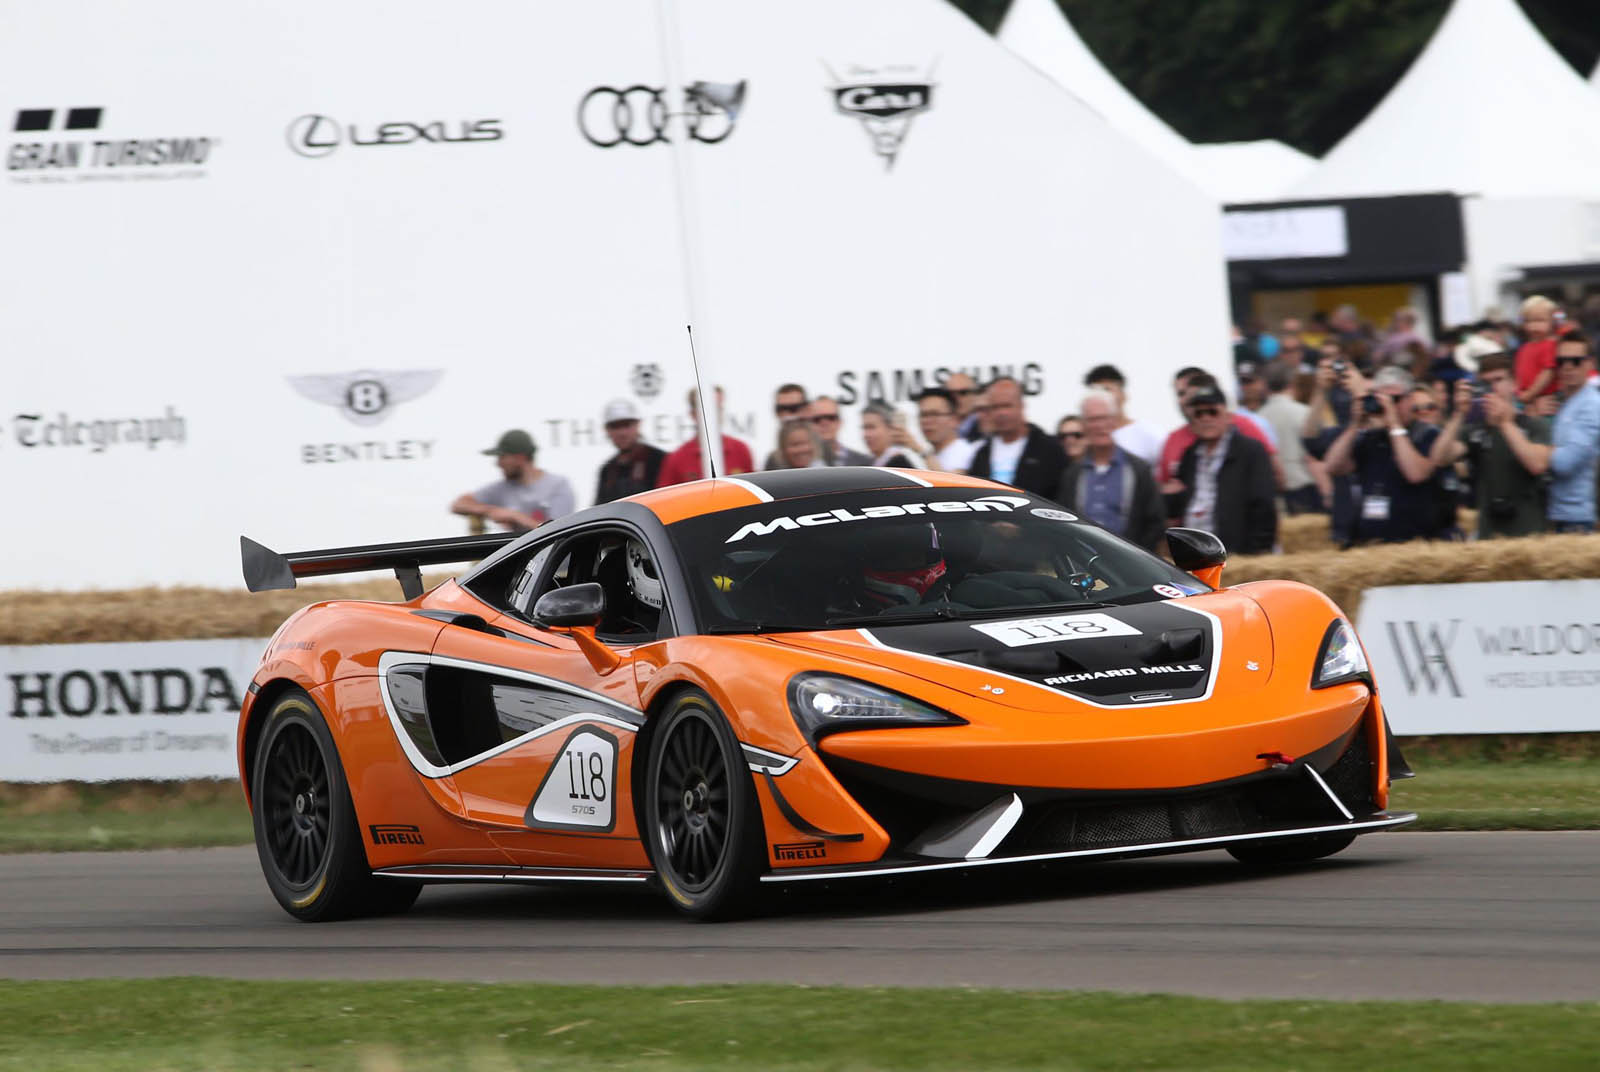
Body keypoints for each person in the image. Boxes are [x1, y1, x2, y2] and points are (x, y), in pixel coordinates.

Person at [1427, 353, 1551, 540]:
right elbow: (1439, 458)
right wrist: (1459, 414)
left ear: (1514, 384)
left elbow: (1537, 465)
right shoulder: (1476, 430)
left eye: (1498, 380)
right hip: (1489, 535)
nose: (1493, 388)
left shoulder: (1534, 425)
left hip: (1529, 533)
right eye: (1486, 383)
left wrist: (1505, 423)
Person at [1322, 367, 1441, 544]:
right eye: (1382, 399)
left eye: (1395, 399)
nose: (1389, 406)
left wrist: (1394, 424)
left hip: (1411, 543)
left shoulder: (1427, 434)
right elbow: (1333, 467)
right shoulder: (1371, 437)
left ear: (1410, 399)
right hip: (1370, 543)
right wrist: (1354, 425)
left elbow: (1416, 474)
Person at [1168, 386, 1277, 554]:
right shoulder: (1189, 455)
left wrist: (1258, 549)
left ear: (1227, 416)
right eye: (1198, 414)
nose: (1206, 418)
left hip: (1236, 551)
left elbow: (1264, 503)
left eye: (1212, 412)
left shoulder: (1250, 450)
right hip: (1196, 550)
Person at [1057, 390, 1164, 550]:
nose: (1100, 425)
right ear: (1084, 425)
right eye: (1093, 419)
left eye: (1105, 418)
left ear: (1115, 421)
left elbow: (1155, 521)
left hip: (1128, 560)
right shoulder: (1072, 474)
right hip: (1082, 559)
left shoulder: (1138, 469)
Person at [1155, 370, 1276, 484]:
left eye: (1211, 412)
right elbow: (1164, 484)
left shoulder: (1243, 426)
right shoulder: (1175, 440)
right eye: (1181, 394)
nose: (1185, 399)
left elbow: (1273, 472)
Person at [451, 429, 575, 533]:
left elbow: (557, 533)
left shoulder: (558, 485)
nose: (498, 464)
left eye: (502, 457)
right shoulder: (502, 487)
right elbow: (458, 505)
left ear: (520, 458)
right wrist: (490, 510)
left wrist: (515, 517)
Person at [967, 377, 1068, 496]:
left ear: (1021, 406)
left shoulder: (1049, 449)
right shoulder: (981, 453)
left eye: (1007, 406)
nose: (1001, 413)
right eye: (995, 407)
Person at [1546, 331, 1600, 533]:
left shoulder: (1592, 405)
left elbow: (1564, 463)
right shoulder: (1561, 402)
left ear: (1590, 364)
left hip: (1577, 519)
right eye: (1561, 361)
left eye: (1576, 361)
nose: (1567, 367)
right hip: (1557, 513)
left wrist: (1537, 451)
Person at [655, 386, 755, 486]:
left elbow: (754, 489)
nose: (714, 415)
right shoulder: (677, 458)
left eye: (718, 409)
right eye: (708, 411)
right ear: (693, 414)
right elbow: (665, 493)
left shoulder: (741, 451)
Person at [1254, 364, 1318, 514]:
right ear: (1292, 383)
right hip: (1305, 486)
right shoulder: (1305, 413)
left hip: (1273, 491)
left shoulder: (1257, 418)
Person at [1083, 363, 1162, 467]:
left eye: (1107, 390)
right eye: (1095, 392)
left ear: (1124, 395)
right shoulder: (1082, 438)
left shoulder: (1148, 434)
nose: (1101, 397)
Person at [594, 399, 666, 504]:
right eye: (615, 426)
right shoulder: (608, 470)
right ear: (607, 430)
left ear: (638, 425)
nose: (622, 433)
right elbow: (600, 508)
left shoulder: (659, 460)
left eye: (626, 425)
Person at [917, 387, 979, 472]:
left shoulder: (968, 452)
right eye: (923, 415)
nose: (927, 421)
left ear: (954, 419)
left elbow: (954, 480)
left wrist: (921, 451)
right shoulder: (927, 454)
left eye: (934, 414)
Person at [1514, 295, 1561, 405]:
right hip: (1526, 398)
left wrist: (1530, 394)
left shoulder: (1549, 345)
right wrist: (1518, 392)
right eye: (1529, 321)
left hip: (1546, 397)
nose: (1534, 326)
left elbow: (1548, 372)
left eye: (1540, 320)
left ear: (1552, 322)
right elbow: (1519, 373)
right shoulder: (1524, 347)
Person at [809, 395, 872, 466]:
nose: (824, 423)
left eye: (831, 418)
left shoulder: (865, 462)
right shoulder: (801, 461)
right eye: (817, 419)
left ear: (840, 421)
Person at [860, 401, 926, 468]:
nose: (866, 434)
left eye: (871, 427)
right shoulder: (871, 463)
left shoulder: (899, 465)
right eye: (864, 428)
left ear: (891, 428)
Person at [762, 383, 810, 469]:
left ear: (806, 409)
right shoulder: (773, 459)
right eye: (781, 409)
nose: (787, 415)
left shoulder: (827, 450)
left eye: (793, 408)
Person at [945, 372, 984, 441]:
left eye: (963, 392)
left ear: (975, 395)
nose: (956, 398)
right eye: (950, 394)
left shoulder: (986, 427)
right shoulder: (941, 429)